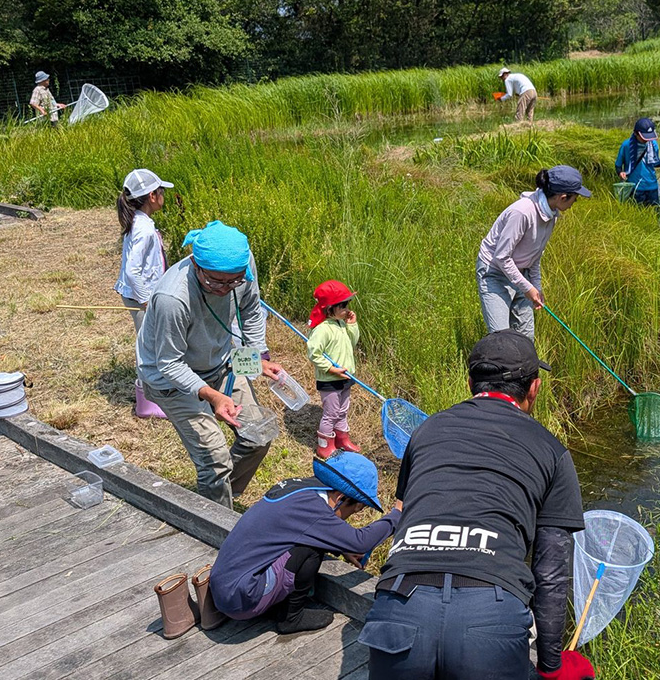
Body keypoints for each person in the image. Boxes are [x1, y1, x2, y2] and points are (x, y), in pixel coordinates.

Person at [360, 330, 594, 680]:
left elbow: (405, 508)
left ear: (470, 383)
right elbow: (550, 574)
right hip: (489, 619)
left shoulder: (426, 431)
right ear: (534, 388)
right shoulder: (552, 451)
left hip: (398, 607)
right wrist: (551, 666)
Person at [137, 219, 288, 508]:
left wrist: (257, 356)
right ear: (196, 264)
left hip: (220, 363)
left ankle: (218, 498)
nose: (225, 289)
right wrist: (213, 396)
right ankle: (216, 519)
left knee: (258, 434)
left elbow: (251, 309)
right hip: (169, 379)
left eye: (234, 281)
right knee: (215, 458)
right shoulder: (173, 298)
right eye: (215, 281)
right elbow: (169, 363)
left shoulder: (241, 264)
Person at [210, 452, 402, 634]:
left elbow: (295, 530)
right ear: (341, 498)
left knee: (312, 540)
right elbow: (361, 542)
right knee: (310, 550)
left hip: (223, 588)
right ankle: (291, 618)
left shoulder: (299, 490)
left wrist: (342, 548)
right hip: (243, 599)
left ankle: (276, 602)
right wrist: (397, 514)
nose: (351, 515)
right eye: (356, 509)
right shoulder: (314, 511)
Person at [477, 165, 591, 340]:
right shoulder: (522, 212)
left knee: (526, 338)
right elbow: (502, 257)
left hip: (520, 274)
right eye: (574, 199)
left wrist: (536, 287)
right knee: (501, 338)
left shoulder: (551, 215)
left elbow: (535, 256)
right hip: (494, 273)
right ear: (563, 197)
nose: (573, 204)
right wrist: (528, 287)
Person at [114, 168, 175, 419]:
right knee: (147, 345)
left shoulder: (141, 222)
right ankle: (147, 402)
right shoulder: (144, 229)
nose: (163, 196)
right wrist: (145, 300)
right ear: (152, 196)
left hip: (141, 294)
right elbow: (132, 269)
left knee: (150, 342)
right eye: (161, 192)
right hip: (140, 297)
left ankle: (151, 394)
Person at [307, 279, 362, 458]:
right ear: (330, 308)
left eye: (347, 304)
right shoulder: (322, 329)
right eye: (343, 305)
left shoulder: (341, 324)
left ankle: (342, 439)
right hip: (330, 379)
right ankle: (325, 445)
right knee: (331, 413)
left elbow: (352, 342)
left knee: (342, 411)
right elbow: (314, 354)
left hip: (345, 377)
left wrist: (352, 325)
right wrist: (331, 369)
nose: (347, 309)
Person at [615, 117, 660, 207]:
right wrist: (620, 173)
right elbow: (618, 165)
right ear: (636, 133)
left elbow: (654, 163)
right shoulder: (626, 145)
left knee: (655, 213)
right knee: (637, 213)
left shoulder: (653, 144)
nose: (647, 140)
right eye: (644, 137)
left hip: (652, 187)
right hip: (635, 188)